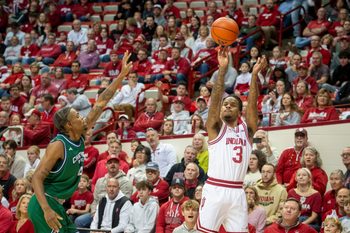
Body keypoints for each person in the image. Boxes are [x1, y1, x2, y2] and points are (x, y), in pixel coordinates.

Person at [27, 51, 132, 233]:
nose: (82, 117)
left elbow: (100, 103)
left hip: (58, 204)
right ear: (68, 125)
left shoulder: (80, 133)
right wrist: (46, 210)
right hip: (44, 205)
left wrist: (121, 76)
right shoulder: (58, 145)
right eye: (77, 116)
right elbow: (36, 177)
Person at [197, 48, 265, 232]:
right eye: (225, 104)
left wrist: (254, 76)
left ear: (239, 111)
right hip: (215, 189)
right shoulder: (215, 128)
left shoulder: (247, 130)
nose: (227, 105)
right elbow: (216, 100)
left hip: (237, 192)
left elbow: (252, 104)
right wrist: (222, 71)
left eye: (232, 104)